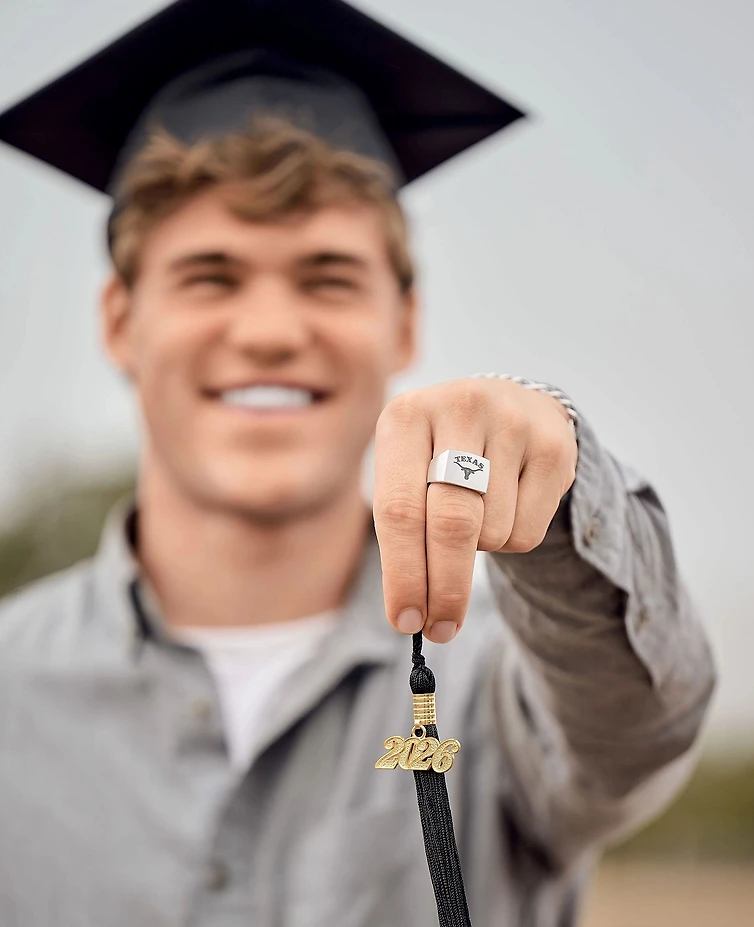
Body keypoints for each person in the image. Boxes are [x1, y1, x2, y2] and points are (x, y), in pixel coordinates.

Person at [0, 1, 715, 925]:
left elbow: (642, 724)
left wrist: (560, 490)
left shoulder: (500, 688)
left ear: (405, 323)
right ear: (119, 321)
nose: (268, 332)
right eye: (209, 274)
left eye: (327, 276)